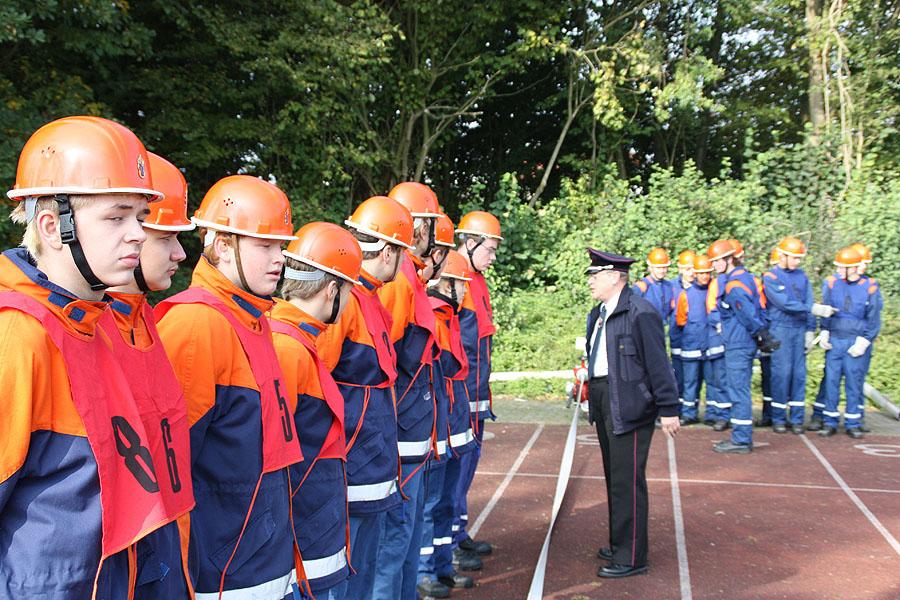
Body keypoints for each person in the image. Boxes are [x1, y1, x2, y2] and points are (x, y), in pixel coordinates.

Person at [0, 115, 180, 598]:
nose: (139, 235)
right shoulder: (17, 333)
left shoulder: (97, 322)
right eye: (116, 217)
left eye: (140, 218)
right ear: (51, 226)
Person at [155, 175, 303, 599]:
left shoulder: (252, 319)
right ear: (221, 246)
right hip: (226, 577)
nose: (279, 259)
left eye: (281, 246)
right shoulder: (197, 325)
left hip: (262, 566)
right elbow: (172, 477)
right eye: (265, 246)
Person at [105, 152, 196, 599]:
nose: (181, 253)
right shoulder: (78, 333)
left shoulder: (145, 319)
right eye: (167, 238)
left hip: (164, 560)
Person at [315, 196, 412, 598]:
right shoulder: (347, 300)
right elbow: (313, 379)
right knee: (349, 575)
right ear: (387, 251)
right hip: (351, 465)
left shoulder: (368, 298)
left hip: (369, 463)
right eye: (402, 253)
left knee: (366, 567)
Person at [269, 222, 362, 599]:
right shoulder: (289, 348)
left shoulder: (293, 340)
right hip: (303, 540)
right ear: (332, 289)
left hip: (308, 534)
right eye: (350, 292)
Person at [584, 248, 680, 578]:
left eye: (595, 276)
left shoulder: (641, 312)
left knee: (628, 482)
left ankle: (632, 556)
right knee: (615, 478)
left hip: (631, 406)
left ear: (615, 277)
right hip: (605, 401)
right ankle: (620, 541)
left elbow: (658, 363)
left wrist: (669, 408)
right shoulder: (598, 313)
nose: (591, 282)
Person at [373, 182, 442, 600]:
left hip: (411, 438)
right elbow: (391, 366)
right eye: (429, 224)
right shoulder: (400, 283)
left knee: (404, 537)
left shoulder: (409, 278)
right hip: (400, 442)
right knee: (393, 539)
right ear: (416, 226)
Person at [418, 248, 476, 598]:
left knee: (446, 501)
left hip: (454, 426)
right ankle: (425, 572)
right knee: (429, 503)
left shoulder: (449, 318)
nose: (466, 292)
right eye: (461, 284)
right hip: (439, 430)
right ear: (445, 284)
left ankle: (441, 566)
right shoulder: (433, 320)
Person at [452, 210, 503, 570]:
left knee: (467, 467)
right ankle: (449, 541)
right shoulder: (455, 278)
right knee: (455, 469)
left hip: (477, 391)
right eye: (490, 248)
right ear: (469, 243)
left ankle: (457, 531)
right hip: (461, 393)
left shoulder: (477, 280)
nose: (493, 256)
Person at [707, 239, 778, 454]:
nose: (714, 266)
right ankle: (741, 436)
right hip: (741, 340)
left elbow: (746, 312)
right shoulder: (745, 278)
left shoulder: (734, 284)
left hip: (738, 342)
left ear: (729, 259)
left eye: (717, 261)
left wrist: (760, 333)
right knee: (739, 389)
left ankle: (741, 439)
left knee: (737, 390)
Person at [816, 247, 881, 438]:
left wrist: (865, 340)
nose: (839, 271)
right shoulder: (832, 283)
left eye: (843, 267)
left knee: (854, 383)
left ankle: (853, 422)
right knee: (831, 382)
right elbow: (827, 308)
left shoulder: (869, 287)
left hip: (855, 340)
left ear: (852, 268)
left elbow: (873, 317)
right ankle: (830, 421)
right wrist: (825, 331)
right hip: (836, 339)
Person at [761, 237, 816, 434]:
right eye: (793, 258)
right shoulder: (771, 277)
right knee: (781, 374)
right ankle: (778, 418)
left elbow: (809, 301)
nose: (796, 262)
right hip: (780, 329)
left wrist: (810, 329)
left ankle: (797, 418)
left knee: (798, 374)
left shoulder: (802, 277)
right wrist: (810, 308)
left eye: (798, 259)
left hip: (799, 329)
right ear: (782, 256)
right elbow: (783, 303)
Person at [674, 253, 715, 425]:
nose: (705, 276)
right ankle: (688, 413)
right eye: (701, 272)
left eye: (708, 272)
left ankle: (712, 415)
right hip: (691, 345)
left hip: (711, 346)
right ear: (695, 273)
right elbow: (680, 320)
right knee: (690, 382)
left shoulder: (714, 291)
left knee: (712, 382)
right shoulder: (686, 295)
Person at [757, 248, 781, 427]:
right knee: (767, 377)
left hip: (776, 332)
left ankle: (776, 415)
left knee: (779, 376)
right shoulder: (764, 282)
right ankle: (768, 414)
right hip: (766, 333)